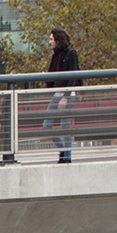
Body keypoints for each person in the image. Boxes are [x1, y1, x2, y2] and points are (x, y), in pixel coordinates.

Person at [43, 28, 82, 164]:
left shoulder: (71, 54)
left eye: (51, 39)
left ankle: (67, 156)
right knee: (46, 124)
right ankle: (63, 150)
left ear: (57, 40)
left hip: (67, 94)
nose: (50, 42)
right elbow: (51, 76)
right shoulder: (56, 56)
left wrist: (65, 96)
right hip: (57, 93)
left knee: (65, 124)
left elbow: (73, 75)